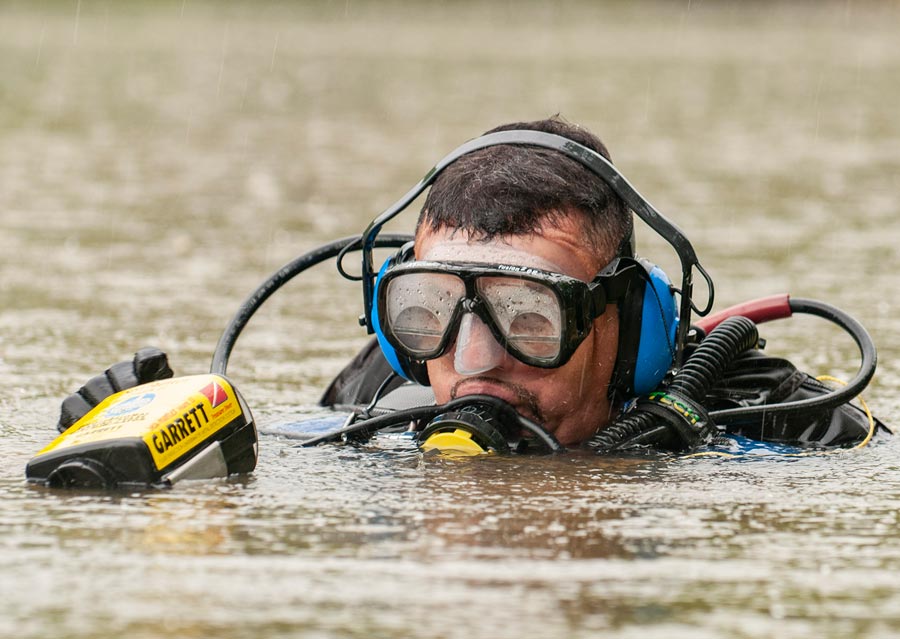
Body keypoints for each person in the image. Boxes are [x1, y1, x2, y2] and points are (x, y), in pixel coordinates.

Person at [58, 117, 887, 453]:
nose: (474, 361)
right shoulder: (390, 382)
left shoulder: (777, 417)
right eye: (429, 313)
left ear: (631, 326)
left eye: (528, 315)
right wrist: (151, 436)